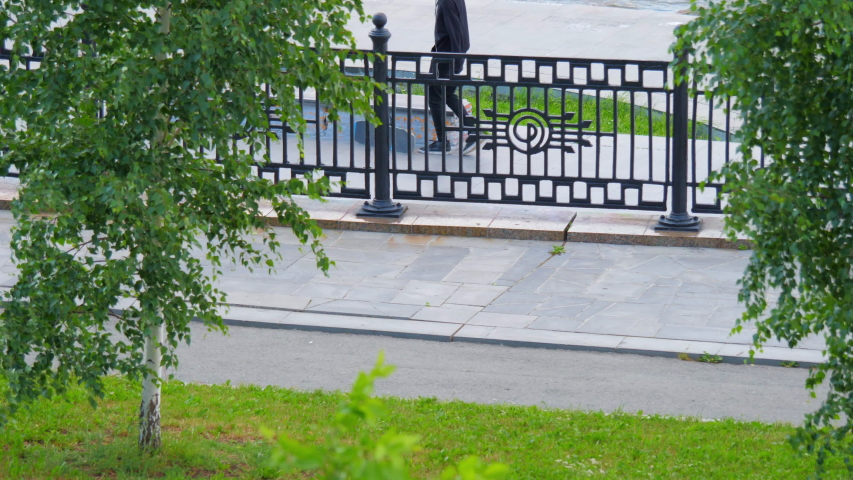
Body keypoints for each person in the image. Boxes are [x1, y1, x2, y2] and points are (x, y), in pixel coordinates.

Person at [419, 0, 483, 155]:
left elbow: (456, 32)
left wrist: (454, 61)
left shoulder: (446, 2)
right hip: (449, 55)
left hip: (446, 57)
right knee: (447, 95)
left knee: (434, 97)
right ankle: (473, 131)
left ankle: (442, 142)